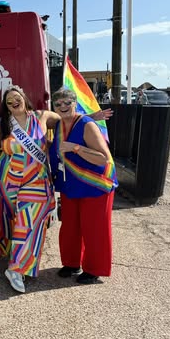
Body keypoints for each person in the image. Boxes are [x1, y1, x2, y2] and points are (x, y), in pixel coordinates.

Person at [48, 87, 117, 284]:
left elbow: (103, 158)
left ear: (75, 103)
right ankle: (71, 263)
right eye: (58, 104)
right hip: (71, 184)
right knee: (70, 226)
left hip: (94, 184)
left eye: (67, 103)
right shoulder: (59, 124)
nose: (62, 106)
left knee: (94, 229)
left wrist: (76, 148)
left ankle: (94, 269)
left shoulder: (87, 125)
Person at [0, 86, 57, 293]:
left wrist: (91, 117)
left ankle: (16, 269)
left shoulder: (41, 116)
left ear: (23, 98)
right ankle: (22, 261)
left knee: (28, 220)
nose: (13, 102)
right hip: (8, 179)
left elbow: (68, 120)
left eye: (16, 98)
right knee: (15, 222)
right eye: (9, 101)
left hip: (36, 178)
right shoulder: (4, 123)